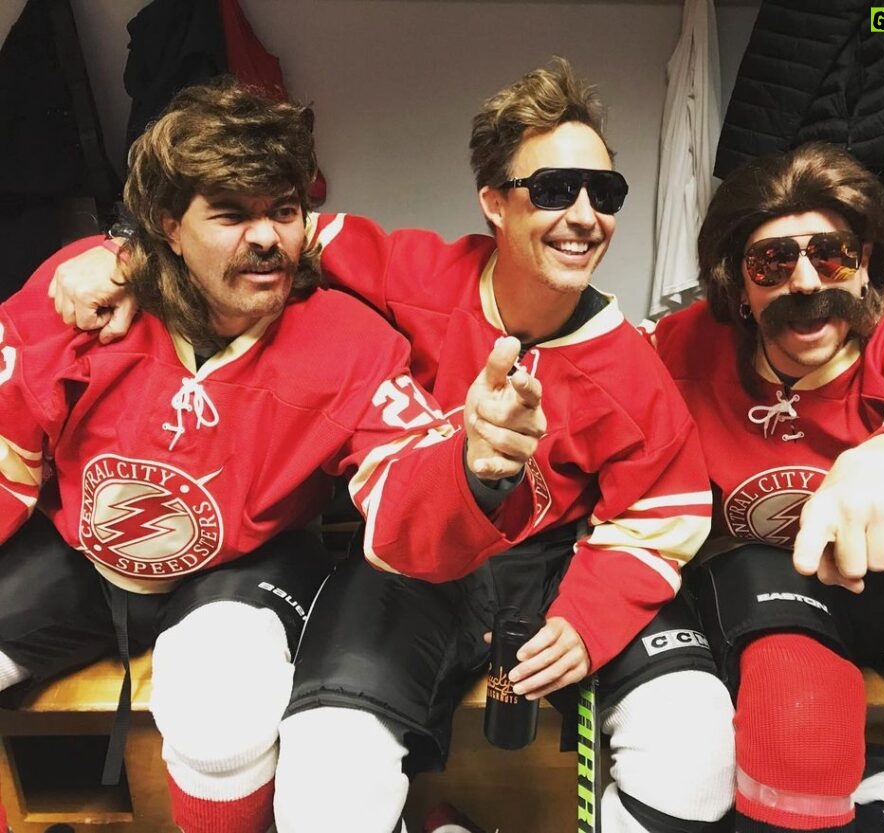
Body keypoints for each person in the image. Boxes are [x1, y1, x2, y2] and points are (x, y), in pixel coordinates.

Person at [47, 60, 736, 833]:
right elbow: (257, 234)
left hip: (557, 569)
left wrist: (588, 617)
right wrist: (123, 249)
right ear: (493, 204)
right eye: (552, 190)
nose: (584, 215)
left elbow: (664, 514)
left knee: (696, 743)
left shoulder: (634, 371)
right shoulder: (405, 270)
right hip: (411, 568)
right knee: (329, 769)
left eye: (604, 194)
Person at [0, 80, 546, 833]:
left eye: (283, 211)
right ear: (168, 225)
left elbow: (405, 484)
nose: (266, 238)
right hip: (84, 562)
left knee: (220, 710)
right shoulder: (85, 297)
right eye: (230, 213)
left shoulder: (347, 342)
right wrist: (111, 257)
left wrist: (475, 466)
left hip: (242, 564)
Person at [649, 141, 884, 833]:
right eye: (772, 261)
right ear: (738, 283)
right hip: (761, 573)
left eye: (831, 254)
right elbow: (587, 387)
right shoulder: (683, 344)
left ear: (865, 266)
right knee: (799, 711)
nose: (803, 280)